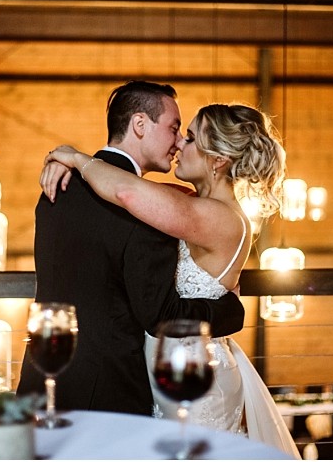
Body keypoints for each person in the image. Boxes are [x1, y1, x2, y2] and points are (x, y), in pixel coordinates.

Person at [41, 102, 301, 458]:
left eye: (191, 138)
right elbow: (132, 187)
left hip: (197, 382)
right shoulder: (194, 203)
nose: (180, 144)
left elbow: (128, 192)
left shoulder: (221, 218)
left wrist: (74, 157)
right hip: (168, 371)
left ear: (218, 159)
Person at [16, 81, 246, 418]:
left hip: (45, 375)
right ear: (140, 125)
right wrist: (231, 311)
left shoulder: (60, 186)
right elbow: (159, 314)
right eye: (173, 127)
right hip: (112, 392)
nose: (179, 141)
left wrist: (71, 157)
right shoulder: (148, 210)